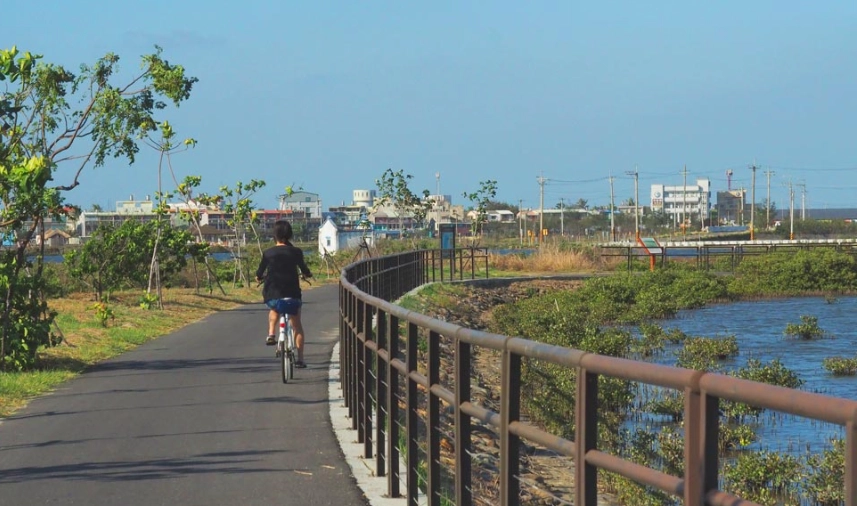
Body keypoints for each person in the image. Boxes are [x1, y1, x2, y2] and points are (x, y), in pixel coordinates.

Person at [255, 220, 313, 367]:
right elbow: (304, 269)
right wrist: (307, 274)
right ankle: (300, 359)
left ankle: (271, 334)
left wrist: (259, 277)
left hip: (273, 294)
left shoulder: (268, 253)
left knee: (274, 309)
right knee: (297, 326)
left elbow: (259, 272)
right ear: (290, 235)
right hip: (293, 295)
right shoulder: (296, 252)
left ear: (274, 235)